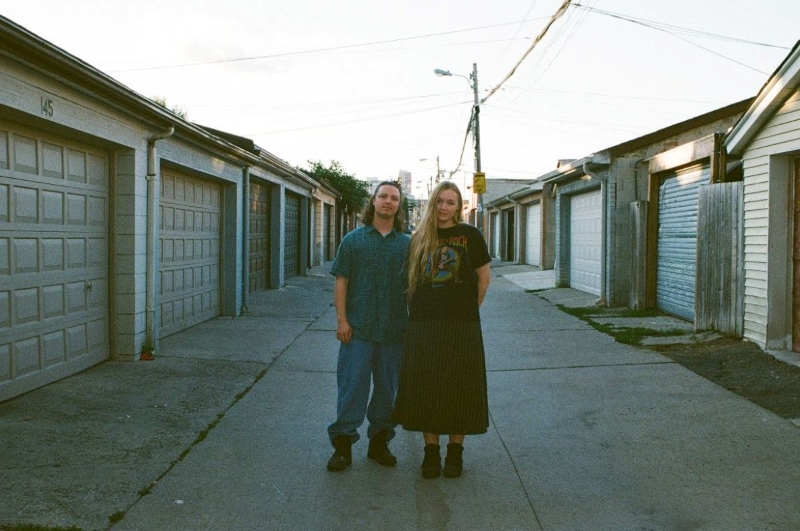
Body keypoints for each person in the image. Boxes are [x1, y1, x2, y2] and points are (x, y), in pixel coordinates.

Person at [393, 180, 491, 479]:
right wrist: (415, 315)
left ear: (459, 206)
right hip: (424, 323)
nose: (444, 207)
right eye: (440, 201)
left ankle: (455, 453)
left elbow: (483, 277)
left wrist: (469, 307)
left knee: (461, 386)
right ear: (432, 203)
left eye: (450, 202)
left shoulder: (470, 235)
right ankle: (431, 452)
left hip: (462, 324)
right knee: (428, 387)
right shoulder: (419, 238)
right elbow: (412, 283)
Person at [326, 181, 410, 472]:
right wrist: (342, 320)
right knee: (352, 388)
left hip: (393, 332)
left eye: (394, 198)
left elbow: (413, 289)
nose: (388, 201)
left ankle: (379, 444)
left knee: (387, 392)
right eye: (383, 196)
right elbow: (341, 281)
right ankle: (343, 446)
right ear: (373, 201)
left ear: (399, 206)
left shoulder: (407, 245)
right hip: (357, 331)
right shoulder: (353, 240)